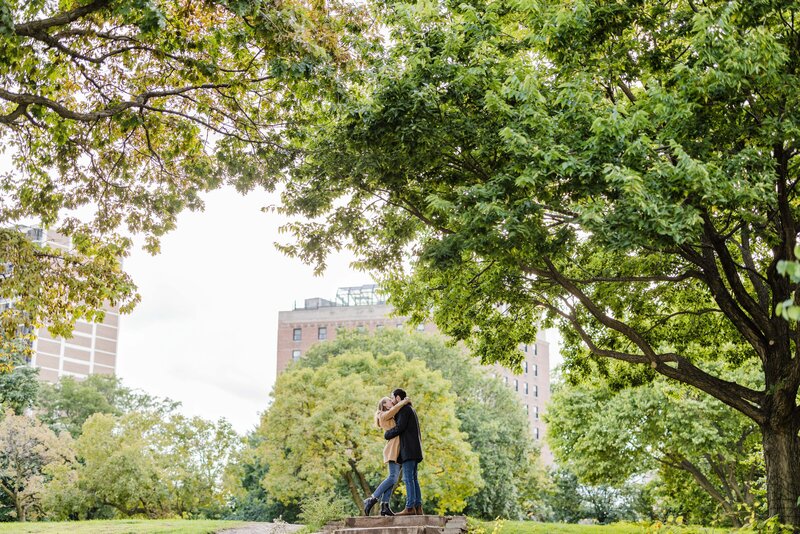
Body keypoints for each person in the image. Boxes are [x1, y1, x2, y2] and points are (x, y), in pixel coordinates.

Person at [362, 395, 411, 516]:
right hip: (392, 449)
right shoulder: (382, 415)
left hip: (397, 449)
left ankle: (385, 506)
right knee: (392, 478)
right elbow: (394, 410)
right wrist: (404, 402)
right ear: (384, 404)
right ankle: (372, 498)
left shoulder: (388, 415)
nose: (392, 401)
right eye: (389, 400)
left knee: (392, 478)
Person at [383, 388, 423, 516]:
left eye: (392, 398)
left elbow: (400, 428)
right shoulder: (410, 409)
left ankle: (409, 507)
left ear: (398, 398)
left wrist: (387, 434)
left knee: (408, 479)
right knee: (413, 478)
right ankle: (418, 507)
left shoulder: (404, 410)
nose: (392, 401)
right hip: (415, 449)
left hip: (409, 450)